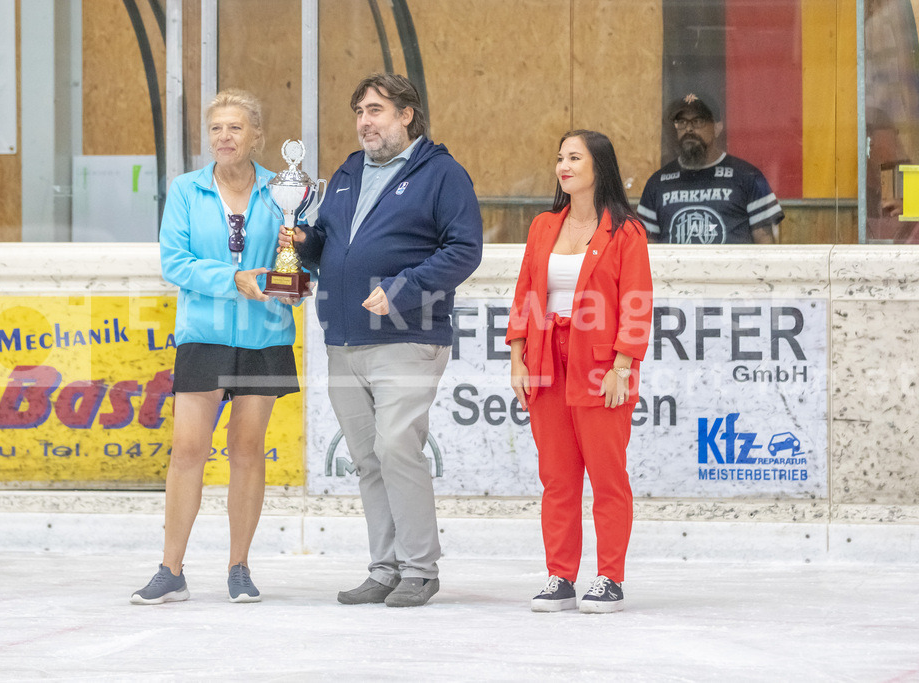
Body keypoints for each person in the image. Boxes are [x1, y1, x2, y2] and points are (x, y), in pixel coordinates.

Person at [280, 73, 483, 608]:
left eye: (375, 110)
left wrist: (403, 289)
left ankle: (420, 569)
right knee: (368, 457)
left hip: (407, 335)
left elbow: (464, 250)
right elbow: (330, 246)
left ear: (406, 115)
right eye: (359, 112)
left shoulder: (441, 174)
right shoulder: (349, 172)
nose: (364, 122)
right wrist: (303, 242)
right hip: (344, 338)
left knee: (396, 445)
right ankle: (385, 567)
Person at [131, 89, 299, 605]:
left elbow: (301, 254)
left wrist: (297, 280)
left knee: (247, 450)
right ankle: (171, 569)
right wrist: (234, 280)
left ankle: (239, 567)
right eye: (216, 129)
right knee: (188, 450)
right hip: (202, 337)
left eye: (235, 128)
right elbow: (175, 262)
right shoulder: (186, 189)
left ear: (257, 136)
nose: (224, 137)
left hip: (265, 337)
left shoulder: (284, 190)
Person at [507, 130, 652, 613]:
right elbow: (526, 295)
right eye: (560, 158)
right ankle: (560, 576)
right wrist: (518, 359)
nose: (563, 166)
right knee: (557, 478)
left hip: (601, 364)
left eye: (574, 158)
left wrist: (622, 367)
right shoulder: (543, 226)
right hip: (546, 361)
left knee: (607, 477)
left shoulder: (626, 231)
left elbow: (636, 303)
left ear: (599, 167)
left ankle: (609, 577)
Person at [637, 93, 783, 244]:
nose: (689, 129)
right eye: (682, 122)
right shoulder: (657, 183)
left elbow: (765, 243)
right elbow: (647, 247)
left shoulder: (748, 177)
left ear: (717, 127)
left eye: (698, 121)